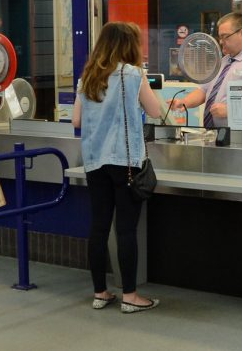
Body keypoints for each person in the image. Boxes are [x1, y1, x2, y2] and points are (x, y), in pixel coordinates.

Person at [72, 22, 163, 313]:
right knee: (125, 230)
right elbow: (156, 111)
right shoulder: (133, 74)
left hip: (94, 161)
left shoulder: (88, 76)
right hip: (125, 163)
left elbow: (76, 121)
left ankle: (100, 293)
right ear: (129, 45)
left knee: (98, 227)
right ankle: (131, 296)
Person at [167, 12, 242, 128]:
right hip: (216, 135)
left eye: (225, 36)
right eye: (220, 37)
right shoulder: (224, 61)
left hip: (241, 137)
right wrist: (184, 102)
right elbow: (204, 91)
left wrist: (229, 110)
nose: (220, 41)